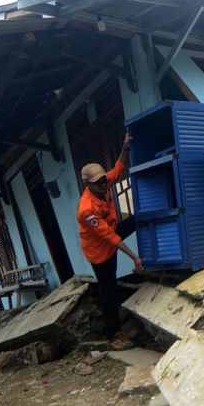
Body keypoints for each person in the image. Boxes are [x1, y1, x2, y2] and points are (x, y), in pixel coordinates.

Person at [77, 133, 142, 350]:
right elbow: (110, 238)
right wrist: (134, 257)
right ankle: (114, 336)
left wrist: (125, 147)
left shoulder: (103, 183)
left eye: (103, 180)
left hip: (111, 234)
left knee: (139, 219)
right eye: (97, 183)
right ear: (86, 184)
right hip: (100, 252)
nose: (104, 184)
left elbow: (118, 170)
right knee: (109, 290)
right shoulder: (87, 209)